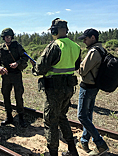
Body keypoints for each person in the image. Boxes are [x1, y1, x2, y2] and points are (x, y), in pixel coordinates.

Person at [31, 18, 81, 156]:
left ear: (54, 30)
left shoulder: (55, 45)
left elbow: (40, 68)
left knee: (50, 121)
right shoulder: (76, 46)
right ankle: (72, 149)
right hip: (69, 88)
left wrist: (34, 68)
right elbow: (75, 66)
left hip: (54, 89)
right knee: (61, 117)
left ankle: (53, 153)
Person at [77, 28, 109, 156]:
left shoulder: (93, 52)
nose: (84, 41)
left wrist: (78, 63)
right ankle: (84, 141)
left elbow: (82, 71)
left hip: (87, 87)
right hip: (94, 87)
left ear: (93, 38)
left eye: (86, 38)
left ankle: (100, 144)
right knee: (88, 115)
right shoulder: (102, 49)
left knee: (82, 116)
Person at [0, 28, 28, 128]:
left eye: (9, 37)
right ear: (3, 37)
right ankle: (9, 116)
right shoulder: (1, 47)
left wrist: (17, 63)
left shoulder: (17, 46)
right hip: (6, 75)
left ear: (12, 37)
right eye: (6, 37)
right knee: (5, 96)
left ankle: (21, 117)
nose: (8, 38)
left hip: (16, 75)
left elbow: (25, 57)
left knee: (18, 96)